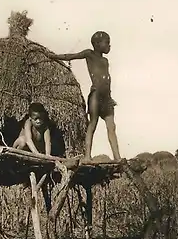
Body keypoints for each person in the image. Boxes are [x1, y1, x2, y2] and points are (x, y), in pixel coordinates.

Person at [44, 31, 122, 162]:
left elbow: (108, 80)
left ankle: (117, 157)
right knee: (93, 124)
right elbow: (71, 56)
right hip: (96, 94)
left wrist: (110, 97)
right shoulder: (89, 54)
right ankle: (87, 156)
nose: (109, 45)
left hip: (106, 97)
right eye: (107, 42)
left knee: (112, 127)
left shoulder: (105, 60)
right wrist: (53, 56)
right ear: (97, 44)